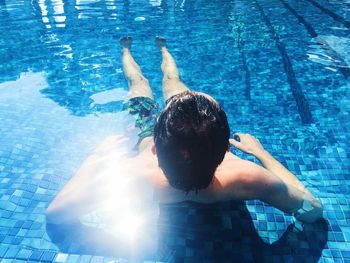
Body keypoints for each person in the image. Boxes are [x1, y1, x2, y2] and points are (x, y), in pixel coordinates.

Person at [46, 36, 323, 226]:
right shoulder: (248, 177)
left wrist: (96, 156)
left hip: (146, 130)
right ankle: (161, 50)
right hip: (180, 131)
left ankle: (127, 51)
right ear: (227, 150)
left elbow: (56, 214)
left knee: (137, 82)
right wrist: (260, 153)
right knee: (173, 80)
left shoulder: (131, 177)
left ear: (154, 148)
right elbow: (311, 209)